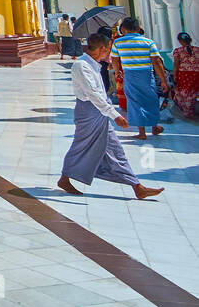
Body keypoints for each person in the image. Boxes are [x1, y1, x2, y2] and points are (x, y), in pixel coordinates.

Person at [58, 34, 165, 200]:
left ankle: (137, 187)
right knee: (81, 146)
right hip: (88, 112)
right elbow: (92, 94)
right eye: (108, 49)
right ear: (101, 48)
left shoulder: (94, 65)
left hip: (99, 111)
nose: (110, 53)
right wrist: (114, 115)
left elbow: (99, 92)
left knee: (115, 149)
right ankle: (65, 178)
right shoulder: (81, 65)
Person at [110, 17, 167, 139]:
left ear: (123, 29)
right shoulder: (149, 42)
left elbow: (114, 59)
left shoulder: (118, 43)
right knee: (151, 100)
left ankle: (142, 133)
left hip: (129, 74)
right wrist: (163, 80)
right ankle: (154, 126)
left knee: (135, 101)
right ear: (138, 28)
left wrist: (117, 71)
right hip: (146, 74)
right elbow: (157, 62)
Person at [173, 32, 198, 117]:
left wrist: (175, 75)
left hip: (183, 74)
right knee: (192, 92)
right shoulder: (197, 50)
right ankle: (190, 110)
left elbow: (176, 63)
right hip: (195, 74)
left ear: (180, 41)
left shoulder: (178, 51)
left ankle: (187, 111)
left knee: (183, 92)